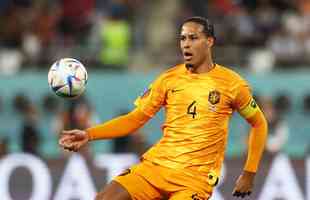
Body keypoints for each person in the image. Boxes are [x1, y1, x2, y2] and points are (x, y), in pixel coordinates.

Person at [59, 16, 268, 200]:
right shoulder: (169, 79)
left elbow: (259, 124)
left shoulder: (232, 84)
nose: (186, 44)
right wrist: (89, 134)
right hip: (156, 167)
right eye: (183, 38)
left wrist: (249, 173)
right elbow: (134, 120)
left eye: (193, 38)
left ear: (209, 42)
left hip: (194, 179)